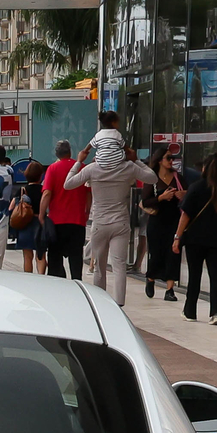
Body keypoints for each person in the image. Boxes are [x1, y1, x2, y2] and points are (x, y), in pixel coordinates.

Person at [64, 109, 158, 304]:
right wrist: (136, 160)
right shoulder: (128, 167)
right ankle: (120, 304)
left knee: (99, 267)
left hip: (99, 222)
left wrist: (79, 161)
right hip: (121, 222)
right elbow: (153, 178)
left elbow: (68, 184)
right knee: (119, 266)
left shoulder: (92, 168)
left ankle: (100, 303)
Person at [175, 152, 217, 324]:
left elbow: (185, 215)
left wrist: (177, 237)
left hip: (196, 239)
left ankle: (190, 311)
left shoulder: (196, 187)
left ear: (204, 168)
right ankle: (216, 313)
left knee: (195, 275)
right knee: (215, 275)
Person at [140, 146, 182, 304]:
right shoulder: (152, 178)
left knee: (173, 254)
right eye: (168, 158)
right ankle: (151, 278)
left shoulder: (177, 177)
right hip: (157, 221)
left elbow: (188, 193)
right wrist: (161, 197)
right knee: (156, 253)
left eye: (173, 158)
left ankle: (170, 289)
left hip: (174, 220)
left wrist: (181, 194)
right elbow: (145, 201)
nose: (171, 161)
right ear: (159, 161)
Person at [41, 138, 88, 278]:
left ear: (57, 153)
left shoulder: (52, 169)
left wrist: (42, 214)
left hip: (57, 222)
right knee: (76, 258)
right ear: (70, 152)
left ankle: (59, 288)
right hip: (77, 220)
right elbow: (88, 192)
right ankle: (77, 283)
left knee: (55, 258)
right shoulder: (82, 167)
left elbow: (47, 193)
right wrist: (87, 211)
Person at [8, 157, 45, 273]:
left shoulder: (22, 190)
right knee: (41, 256)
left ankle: (29, 279)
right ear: (40, 176)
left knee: (27, 257)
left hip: (25, 224)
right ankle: (42, 278)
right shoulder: (44, 190)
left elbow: (11, 207)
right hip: (40, 223)